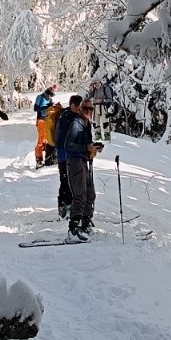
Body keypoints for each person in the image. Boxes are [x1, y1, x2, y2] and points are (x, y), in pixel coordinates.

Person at [61, 97, 102, 239]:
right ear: (80, 109)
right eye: (86, 108)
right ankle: (73, 229)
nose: (88, 111)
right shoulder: (76, 124)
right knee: (80, 195)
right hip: (75, 161)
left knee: (90, 194)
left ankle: (85, 223)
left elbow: (87, 142)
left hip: (84, 161)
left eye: (91, 109)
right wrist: (85, 147)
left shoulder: (86, 124)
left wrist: (94, 147)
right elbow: (68, 144)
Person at [55, 94, 82, 219]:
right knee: (65, 179)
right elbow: (64, 138)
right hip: (64, 154)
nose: (77, 109)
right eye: (75, 106)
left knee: (69, 179)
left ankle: (67, 203)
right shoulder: (66, 117)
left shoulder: (69, 116)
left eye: (79, 106)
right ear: (71, 105)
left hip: (69, 154)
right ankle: (63, 203)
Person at [32, 83, 58, 168]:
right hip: (40, 120)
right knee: (41, 140)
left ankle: (49, 157)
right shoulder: (40, 97)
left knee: (49, 139)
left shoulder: (49, 99)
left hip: (47, 120)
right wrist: (46, 106)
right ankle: (38, 159)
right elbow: (35, 108)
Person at [84, 74, 115, 144]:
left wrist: (102, 100)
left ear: (99, 81)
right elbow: (88, 97)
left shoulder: (105, 88)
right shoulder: (94, 90)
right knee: (95, 122)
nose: (95, 84)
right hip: (95, 107)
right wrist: (90, 90)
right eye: (94, 83)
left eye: (96, 83)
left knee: (105, 122)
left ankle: (107, 136)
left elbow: (110, 99)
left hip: (103, 107)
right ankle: (98, 135)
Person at [43, 98, 63, 169]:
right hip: (57, 136)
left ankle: (48, 161)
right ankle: (54, 160)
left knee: (49, 146)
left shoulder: (49, 112)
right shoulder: (59, 111)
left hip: (49, 137)